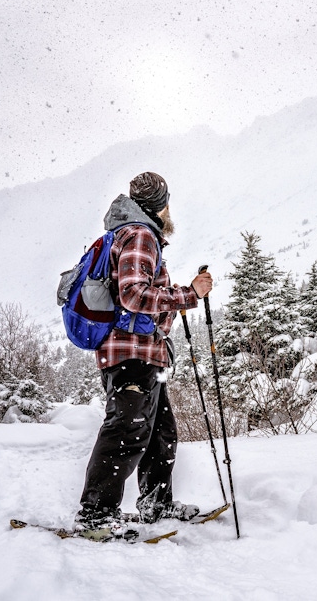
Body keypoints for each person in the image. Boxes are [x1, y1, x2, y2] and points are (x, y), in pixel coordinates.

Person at [75, 171, 213, 529]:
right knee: (126, 432)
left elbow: (137, 292)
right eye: (167, 203)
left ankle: (156, 504)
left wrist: (178, 297)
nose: (169, 210)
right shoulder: (139, 235)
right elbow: (133, 295)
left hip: (144, 351)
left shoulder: (136, 234)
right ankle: (95, 516)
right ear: (158, 206)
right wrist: (190, 295)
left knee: (159, 433)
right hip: (129, 352)